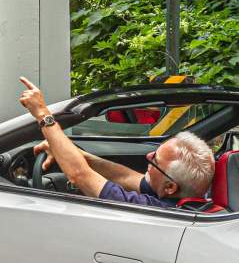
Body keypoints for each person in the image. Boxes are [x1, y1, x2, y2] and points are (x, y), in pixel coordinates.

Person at [18, 76, 215, 209]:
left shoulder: (156, 210)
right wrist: (79, 155)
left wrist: (43, 114)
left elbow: (80, 176)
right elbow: (126, 177)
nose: (149, 155)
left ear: (170, 188)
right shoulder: (192, 199)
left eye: (155, 159)